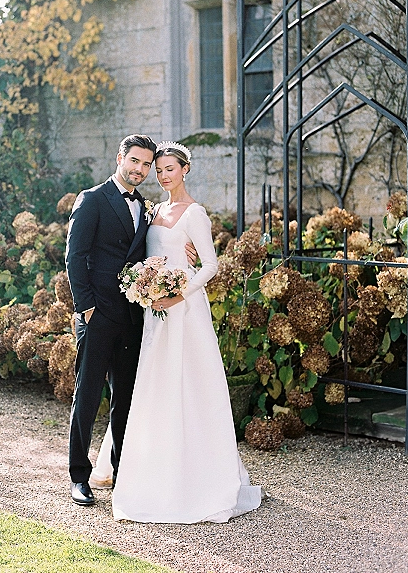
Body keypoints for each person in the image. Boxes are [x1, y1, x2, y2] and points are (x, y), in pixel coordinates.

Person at [104, 141, 262, 523]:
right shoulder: (153, 210)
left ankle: (199, 478)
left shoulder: (196, 214)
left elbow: (210, 266)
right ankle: (149, 470)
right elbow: (145, 254)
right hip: (155, 315)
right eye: (158, 170)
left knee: (189, 386)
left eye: (169, 169)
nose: (162, 175)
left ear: (185, 169)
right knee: (155, 385)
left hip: (184, 312)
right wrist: (144, 286)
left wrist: (178, 293)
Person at [65, 134, 157, 506]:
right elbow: (75, 257)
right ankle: (78, 476)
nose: (140, 169)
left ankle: (122, 472)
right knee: (87, 396)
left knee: (125, 397)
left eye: (147, 164)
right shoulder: (92, 199)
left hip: (133, 317)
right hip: (98, 315)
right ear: (120, 158)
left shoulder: (145, 208)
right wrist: (86, 309)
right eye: (134, 160)